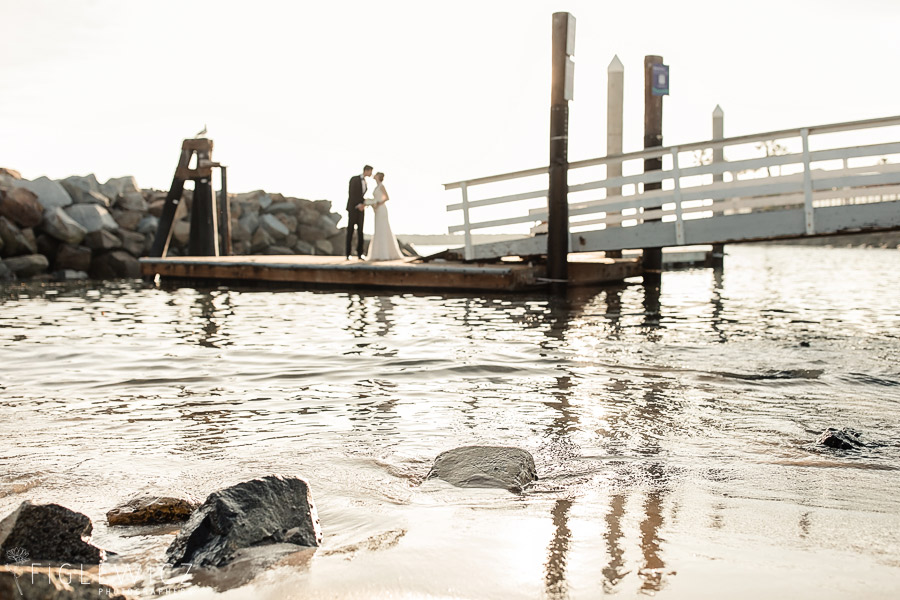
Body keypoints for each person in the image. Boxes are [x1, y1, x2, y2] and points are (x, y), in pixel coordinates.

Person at [365, 171, 404, 261]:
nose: (374, 175)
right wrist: (372, 203)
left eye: (376, 175)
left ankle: (385, 253)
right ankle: (378, 253)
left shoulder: (382, 186)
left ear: (379, 177)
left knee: (383, 229)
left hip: (382, 209)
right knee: (378, 230)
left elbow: (387, 197)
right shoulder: (376, 186)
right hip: (377, 210)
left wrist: (377, 203)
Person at [346, 165, 373, 259]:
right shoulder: (354, 179)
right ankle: (348, 253)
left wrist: (364, 204)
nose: (371, 174)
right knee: (350, 230)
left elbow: (361, 195)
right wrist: (358, 205)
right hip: (353, 209)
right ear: (367, 170)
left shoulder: (365, 182)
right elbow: (351, 193)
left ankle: (360, 253)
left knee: (360, 231)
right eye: (370, 172)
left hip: (361, 210)